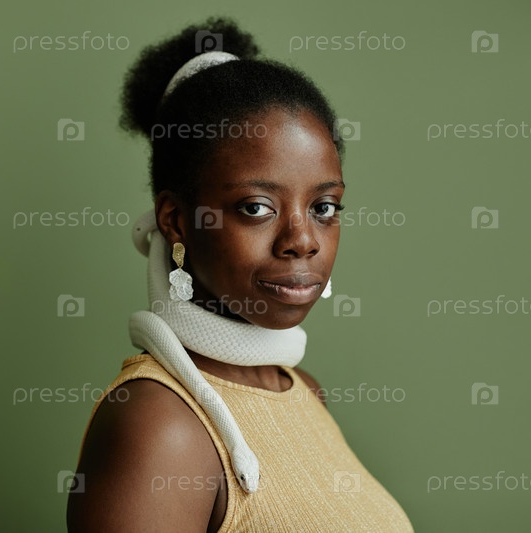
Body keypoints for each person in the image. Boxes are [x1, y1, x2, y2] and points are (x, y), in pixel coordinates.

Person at [67, 17, 413, 532]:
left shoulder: (303, 390)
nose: (303, 239)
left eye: (323, 206)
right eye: (256, 207)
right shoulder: (161, 423)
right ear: (176, 221)